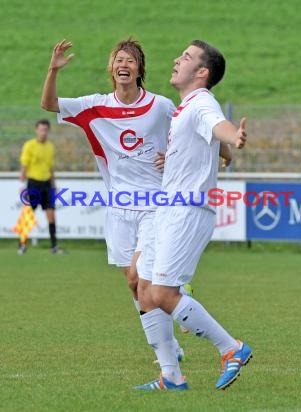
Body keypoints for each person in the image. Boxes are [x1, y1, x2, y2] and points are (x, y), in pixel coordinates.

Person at [40, 38, 232, 359]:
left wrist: (221, 152)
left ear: (140, 69)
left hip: (155, 206)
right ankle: (170, 349)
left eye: (130, 60)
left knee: (138, 277)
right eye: (118, 60)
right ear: (111, 69)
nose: (123, 65)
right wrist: (53, 69)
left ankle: (175, 315)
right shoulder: (95, 106)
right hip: (118, 208)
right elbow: (49, 104)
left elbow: (196, 129)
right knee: (133, 286)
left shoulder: (160, 106)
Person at [135, 40, 251, 391]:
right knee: (144, 289)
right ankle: (171, 376)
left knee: (165, 293)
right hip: (167, 208)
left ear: (202, 72)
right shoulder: (186, 108)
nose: (176, 59)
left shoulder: (201, 102)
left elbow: (218, 126)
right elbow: (216, 142)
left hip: (187, 210)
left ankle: (231, 348)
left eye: (185, 58)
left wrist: (235, 135)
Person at [18, 119, 64, 255]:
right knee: (28, 214)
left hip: (46, 184)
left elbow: (50, 167)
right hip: (33, 183)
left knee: (51, 215)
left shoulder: (50, 147)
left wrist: (54, 185)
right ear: (36, 130)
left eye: (45, 130)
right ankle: (21, 245)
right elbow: (24, 166)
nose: (43, 132)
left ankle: (54, 246)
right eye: (41, 129)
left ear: (48, 131)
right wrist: (21, 184)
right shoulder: (29, 145)